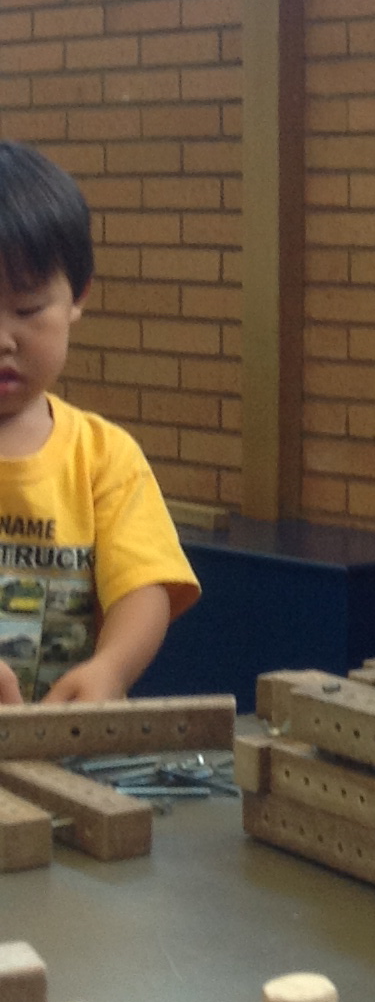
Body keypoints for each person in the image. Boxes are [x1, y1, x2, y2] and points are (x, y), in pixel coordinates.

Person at [0, 142, 199, 704]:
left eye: (28, 309)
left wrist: (111, 669)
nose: (3, 340)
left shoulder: (103, 457)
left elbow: (143, 587)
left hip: (63, 742)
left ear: (77, 296)